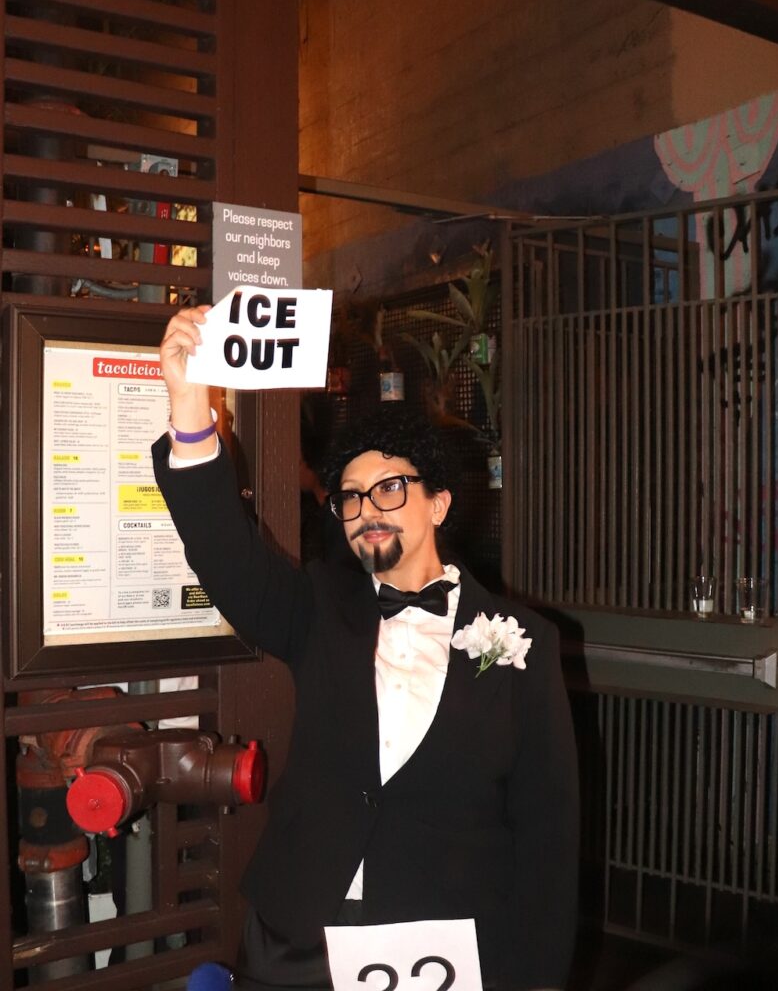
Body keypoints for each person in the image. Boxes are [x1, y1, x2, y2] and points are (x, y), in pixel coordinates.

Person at [153, 305, 579, 991]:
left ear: (438, 503)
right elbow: (224, 555)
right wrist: (189, 405)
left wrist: (535, 978)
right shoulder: (320, 609)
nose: (366, 510)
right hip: (298, 939)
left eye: (389, 488)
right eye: (350, 497)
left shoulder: (525, 643)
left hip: (439, 950)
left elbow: (547, 838)